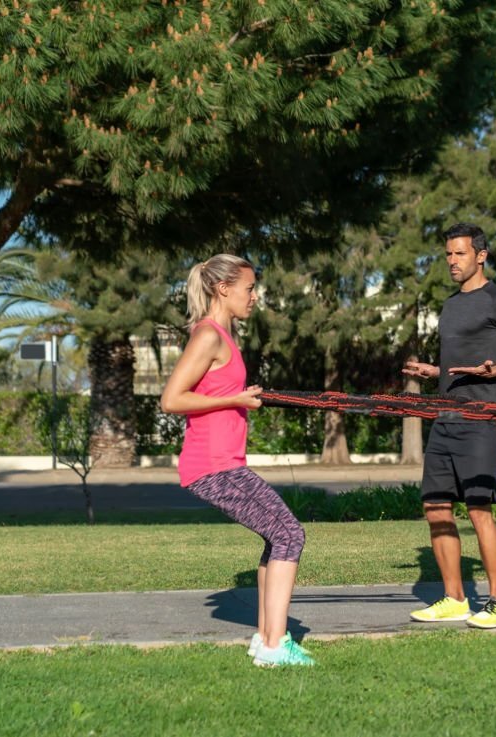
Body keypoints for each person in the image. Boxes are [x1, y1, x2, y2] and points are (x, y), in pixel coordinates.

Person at [161, 254, 313, 667]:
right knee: (289, 535)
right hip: (212, 466)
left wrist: (244, 398)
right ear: (222, 289)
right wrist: (235, 398)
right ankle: (273, 645)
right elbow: (171, 399)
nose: (254, 296)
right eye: (248, 288)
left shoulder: (223, 336)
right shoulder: (207, 335)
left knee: (278, 535)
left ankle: (267, 637)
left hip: (225, 462)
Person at [403, 223, 496, 629]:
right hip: (445, 416)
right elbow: (459, 366)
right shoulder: (450, 305)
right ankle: (453, 599)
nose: (451, 261)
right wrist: (436, 371)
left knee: (478, 510)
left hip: (482, 420)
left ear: (480, 256)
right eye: (448, 254)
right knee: (435, 507)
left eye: (460, 254)